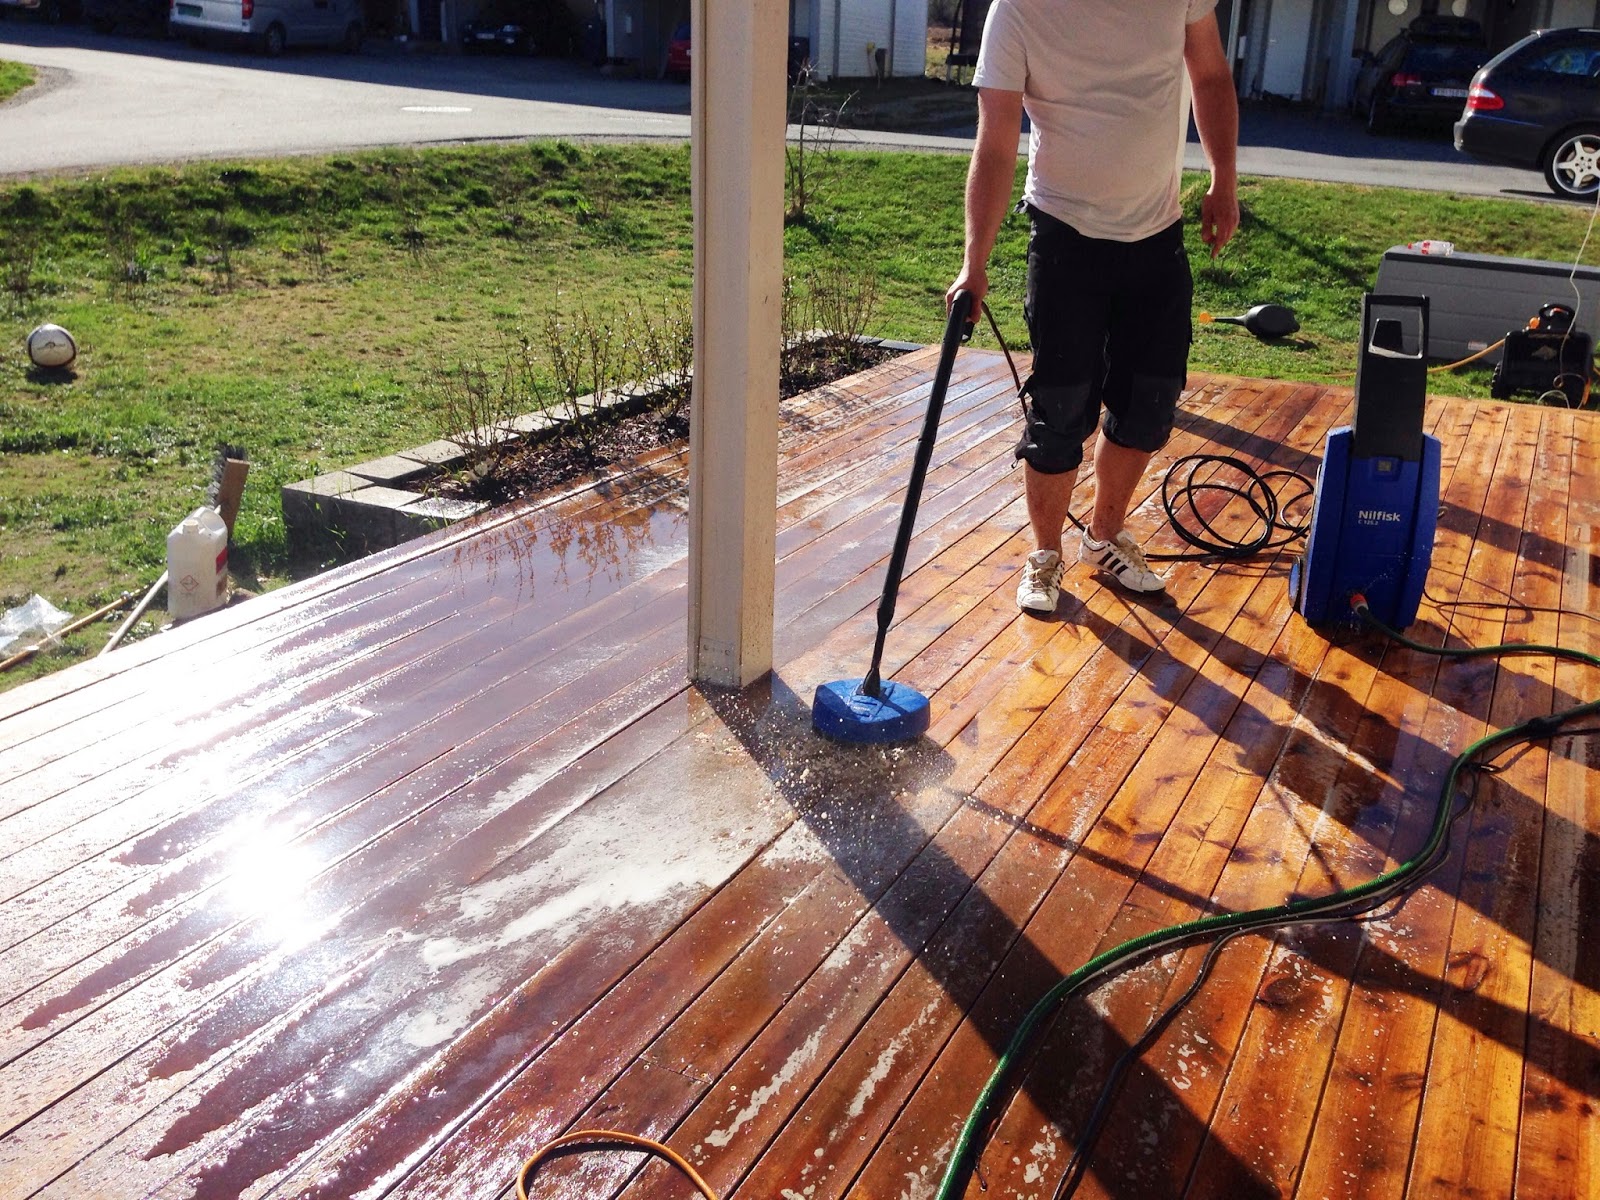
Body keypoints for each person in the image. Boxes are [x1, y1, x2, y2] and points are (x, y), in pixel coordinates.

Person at [947, 0, 1239, 613]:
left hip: (1156, 234)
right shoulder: (1017, 10)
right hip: (1065, 236)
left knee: (1149, 404)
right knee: (1059, 410)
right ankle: (1045, 555)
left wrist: (1223, 179)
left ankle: (1104, 536)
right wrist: (975, 263)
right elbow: (995, 142)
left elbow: (1211, 76)